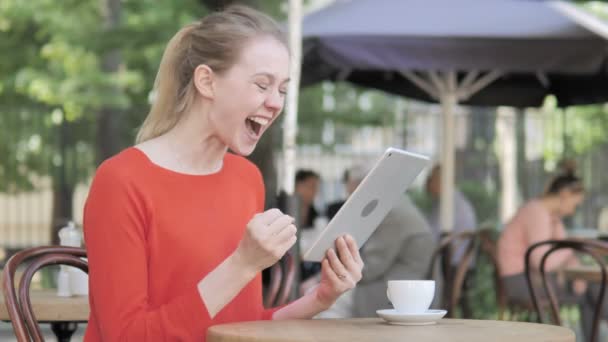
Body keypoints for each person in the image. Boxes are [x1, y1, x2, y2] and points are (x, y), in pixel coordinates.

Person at [83, 6, 363, 341]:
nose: (276, 102)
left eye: (283, 90)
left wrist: (321, 297)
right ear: (206, 81)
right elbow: (126, 336)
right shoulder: (122, 181)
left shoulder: (246, 178)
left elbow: (240, 324)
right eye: (262, 85)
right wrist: (241, 264)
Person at [497, 168, 605, 340]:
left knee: (592, 291)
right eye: (575, 204)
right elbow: (543, 262)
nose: (572, 211)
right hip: (520, 281)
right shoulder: (536, 212)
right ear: (565, 194)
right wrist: (572, 246)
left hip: (535, 279)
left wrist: (574, 269)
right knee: (595, 291)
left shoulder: (550, 216)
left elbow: (562, 252)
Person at [317, 163, 436, 318]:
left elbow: (371, 267)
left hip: (399, 291)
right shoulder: (398, 203)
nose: (349, 198)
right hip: (406, 283)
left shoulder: (392, 212)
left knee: (329, 300)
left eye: (352, 192)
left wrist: (337, 273)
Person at [425, 164, 478, 316]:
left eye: (431, 179)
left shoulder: (448, 204)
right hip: (461, 266)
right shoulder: (453, 200)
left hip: (451, 267)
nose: (427, 184)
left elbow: (430, 237)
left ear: (442, 181)